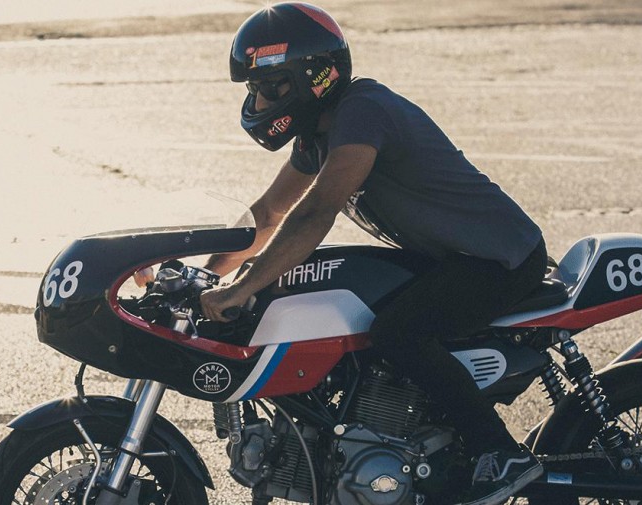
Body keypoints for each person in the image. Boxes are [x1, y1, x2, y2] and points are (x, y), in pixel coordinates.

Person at [197, 3, 546, 504]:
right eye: (254, 89)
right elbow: (269, 212)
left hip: (499, 260)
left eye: (269, 86)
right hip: (453, 257)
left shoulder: (363, 112)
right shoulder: (318, 134)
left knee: (398, 334)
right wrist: (207, 276)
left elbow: (315, 212)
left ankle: (501, 453)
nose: (258, 100)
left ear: (312, 77)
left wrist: (244, 286)